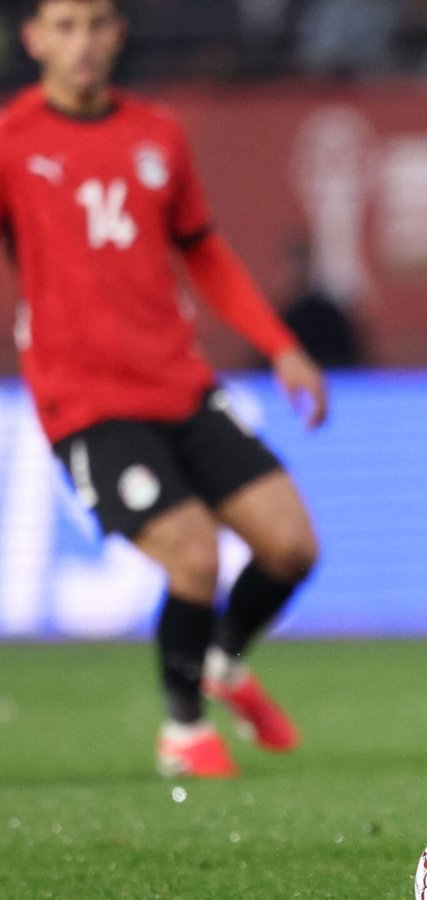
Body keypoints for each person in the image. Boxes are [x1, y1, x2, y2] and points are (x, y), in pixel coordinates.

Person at [0, 0, 327, 778]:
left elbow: (203, 251)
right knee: (194, 556)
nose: (83, 43)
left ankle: (221, 661)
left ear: (119, 35)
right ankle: (184, 732)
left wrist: (281, 347)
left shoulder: (157, 134)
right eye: (66, 25)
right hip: (86, 402)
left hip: (179, 383)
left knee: (291, 545)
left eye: (98, 24)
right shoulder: (11, 141)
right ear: (35, 38)